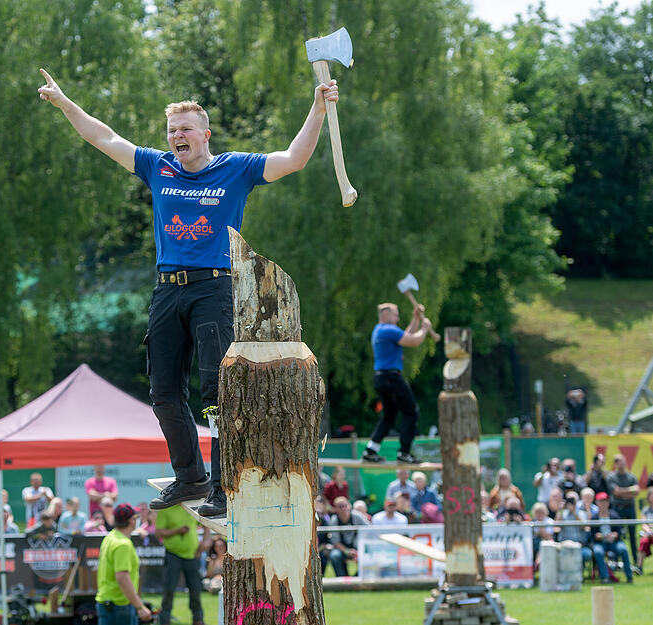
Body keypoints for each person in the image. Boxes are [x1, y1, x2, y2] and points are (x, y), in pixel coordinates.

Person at [39, 68, 340, 518]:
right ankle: (190, 478)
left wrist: (318, 107)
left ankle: (223, 486)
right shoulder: (156, 166)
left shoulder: (236, 168)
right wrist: (66, 104)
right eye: (171, 130)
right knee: (162, 391)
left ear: (205, 135)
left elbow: (293, 158)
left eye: (185, 129)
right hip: (167, 291)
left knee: (217, 393)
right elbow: (104, 138)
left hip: (214, 289)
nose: (177, 136)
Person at [361, 303, 432, 464]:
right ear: (385, 314)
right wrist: (425, 328)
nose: (398, 318)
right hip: (391, 378)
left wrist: (415, 319)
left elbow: (405, 336)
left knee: (389, 416)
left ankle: (371, 450)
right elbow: (413, 341)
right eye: (395, 314)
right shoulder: (388, 330)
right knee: (411, 412)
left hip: (381, 378)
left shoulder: (379, 330)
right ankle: (404, 453)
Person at [94, 503, 152, 624]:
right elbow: (122, 578)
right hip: (119, 606)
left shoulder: (110, 537)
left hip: (107, 603)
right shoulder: (123, 544)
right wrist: (140, 607)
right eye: (135, 518)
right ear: (131, 521)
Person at [154, 506, 204, 625]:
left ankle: (198, 619)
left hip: (192, 555)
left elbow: (204, 522)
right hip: (173, 555)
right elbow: (159, 533)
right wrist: (177, 531)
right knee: (169, 589)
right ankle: (164, 620)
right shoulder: (165, 509)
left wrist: (206, 540)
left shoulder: (191, 508)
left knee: (195, 590)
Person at [607, 453, 640, 571]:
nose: (622, 465)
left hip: (630, 507)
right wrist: (628, 492)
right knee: (617, 534)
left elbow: (636, 491)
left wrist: (622, 492)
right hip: (617, 509)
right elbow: (616, 492)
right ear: (615, 464)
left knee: (632, 535)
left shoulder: (631, 477)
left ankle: (636, 561)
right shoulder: (612, 477)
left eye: (623, 462)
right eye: (620, 462)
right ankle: (616, 561)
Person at [590, 492, 633, 583]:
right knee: (598, 551)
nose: (603, 504)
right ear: (597, 503)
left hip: (614, 542)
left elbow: (620, 531)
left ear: (608, 503)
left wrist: (614, 535)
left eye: (605, 501)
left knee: (623, 549)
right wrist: (600, 536)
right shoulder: (594, 517)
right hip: (600, 542)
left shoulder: (614, 515)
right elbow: (593, 534)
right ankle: (605, 577)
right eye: (601, 501)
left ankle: (629, 576)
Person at [332, 497, 366, 575]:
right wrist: (348, 551)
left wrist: (360, 550)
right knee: (335, 555)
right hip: (343, 550)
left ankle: (358, 578)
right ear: (335, 509)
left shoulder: (357, 516)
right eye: (340, 506)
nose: (343, 508)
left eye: (345, 505)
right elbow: (335, 542)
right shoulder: (334, 520)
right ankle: (343, 581)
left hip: (359, 547)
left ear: (349, 506)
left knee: (367, 556)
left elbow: (368, 531)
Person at [638, 488, 653, 572]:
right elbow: (644, 524)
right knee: (643, 542)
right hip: (648, 534)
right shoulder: (645, 510)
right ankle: (639, 567)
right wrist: (649, 531)